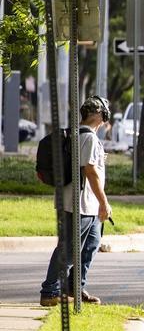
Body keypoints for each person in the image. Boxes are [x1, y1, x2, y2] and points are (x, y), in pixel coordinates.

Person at [40, 96, 112, 306]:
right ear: (99, 114)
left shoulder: (80, 136)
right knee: (69, 250)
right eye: (105, 113)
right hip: (78, 204)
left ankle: (75, 286)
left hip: (86, 204)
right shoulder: (87, 138)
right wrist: (104, 202)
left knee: (91, 245)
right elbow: (90, 171)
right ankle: (49, 291)